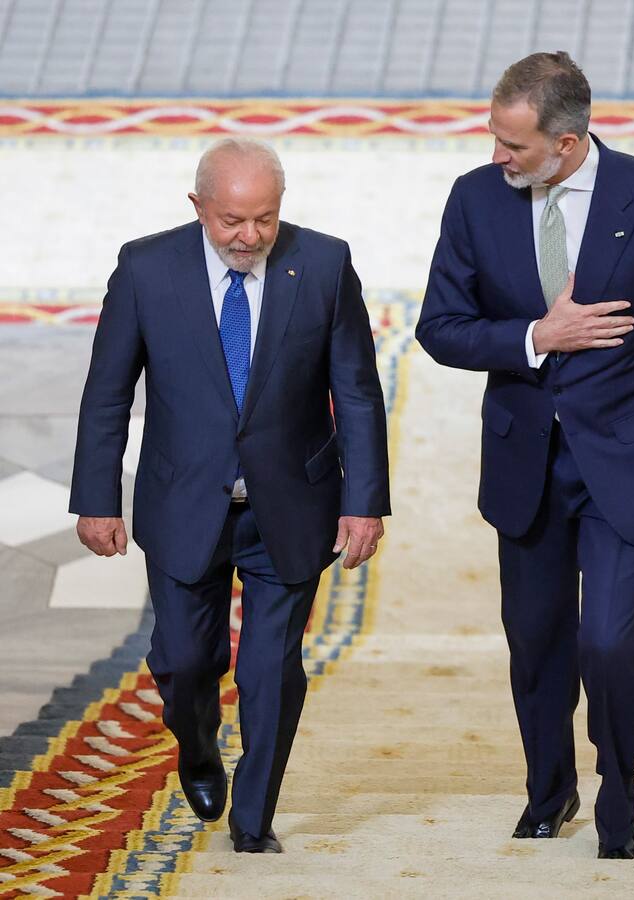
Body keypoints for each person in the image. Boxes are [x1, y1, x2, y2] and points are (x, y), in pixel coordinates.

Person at [416, 51, 634, 858]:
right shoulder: (474, 198)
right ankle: (549, 788)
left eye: (513, 144)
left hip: (628, 459)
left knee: (607, 641)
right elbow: (440, 328)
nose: (497, 155)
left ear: (566, 142)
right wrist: (536, 336)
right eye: (495, 137)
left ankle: (619, 789)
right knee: (536, 642)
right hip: (525, 461)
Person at [69, 138, 390, 852]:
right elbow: (108, 394)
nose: (250, 236)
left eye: (265, 219)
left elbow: (357, 392)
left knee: (270, 669)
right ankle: (197, 743)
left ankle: (253, 818)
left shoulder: (325, 263)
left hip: (294, 504)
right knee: (185, 661)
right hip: (183, 503)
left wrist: (364, 502)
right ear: (198, 207)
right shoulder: (146, 268)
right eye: (233, 221)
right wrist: (97, 499)